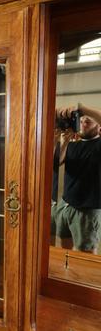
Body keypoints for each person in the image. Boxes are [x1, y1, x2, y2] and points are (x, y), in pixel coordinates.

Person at [54, 103, 101, 253]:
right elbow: (57, 163)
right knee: (65, 249)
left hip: (88, 210)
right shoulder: (73, 143)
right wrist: (64, 143)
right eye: (81, 121)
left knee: (85, 254)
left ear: (98, 127)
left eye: (87, 122)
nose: (82, 124)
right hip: (66, 205)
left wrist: (82, 109)